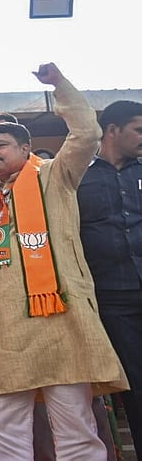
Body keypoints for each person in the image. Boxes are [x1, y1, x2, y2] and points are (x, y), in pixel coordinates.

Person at [0, 63, 126, 460]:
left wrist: (59, 84)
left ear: (24, 148)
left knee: (74, 425)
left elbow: (87, 132)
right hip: (1, 331)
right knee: (3, 426)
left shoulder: (55, 176)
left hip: (59, 322)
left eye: (0, 144)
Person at [77, 99, 142, 452]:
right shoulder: (79, 178)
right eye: (138, 129)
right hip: (113, 299)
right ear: (113, 131)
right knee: (135, 382)